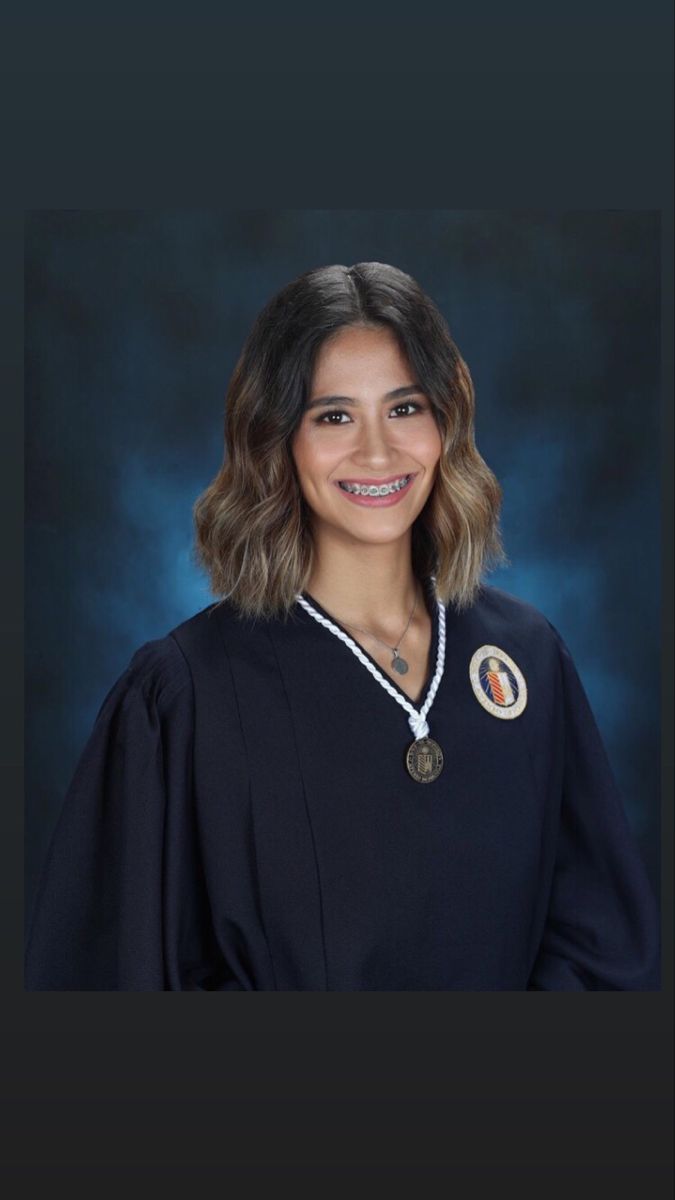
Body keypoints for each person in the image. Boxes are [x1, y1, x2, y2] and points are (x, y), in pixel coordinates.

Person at [25, 261, 660, 991]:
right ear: (275, 437)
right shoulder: (184, 696)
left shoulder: (524, 659)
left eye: (404, 408)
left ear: (445, 421)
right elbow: (120, 979)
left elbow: (598, 946)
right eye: (333, 416)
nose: (377, 453)